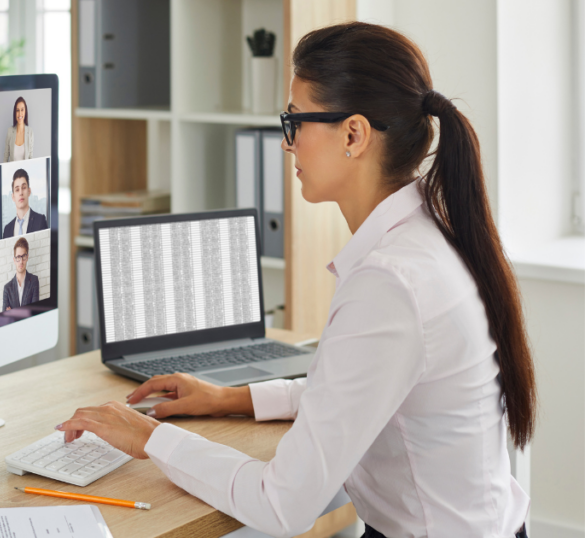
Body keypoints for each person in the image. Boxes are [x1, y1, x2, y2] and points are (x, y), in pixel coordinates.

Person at [55, 22, 534, 538]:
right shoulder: (429, 234)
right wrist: (230, 398)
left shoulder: (391, 283)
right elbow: (356, 392)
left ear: (353, 134)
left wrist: (146, 437)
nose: (287, 144)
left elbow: (280, 506)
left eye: (295, 121)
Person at [2, 168, 48, 238]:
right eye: (17, 190)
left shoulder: (40, 221)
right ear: (13, 197)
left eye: (23, 187)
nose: (21, 193)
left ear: (29, 191)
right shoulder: (7, 230)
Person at [2, 237, 39, 311]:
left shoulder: (34, 281)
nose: (21, 261)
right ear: (14, 260)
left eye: (24, 256)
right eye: (18, 257)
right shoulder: (7, 288)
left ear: (27, 257)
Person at [3, 96, 34, 162]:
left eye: (22, 110)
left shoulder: (30, 132)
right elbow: (5, 158)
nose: (20, 113)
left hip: (25, 171)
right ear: (15, 113)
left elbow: (31, 158)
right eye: (17, 110)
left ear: (25, 112)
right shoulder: (10, 131)